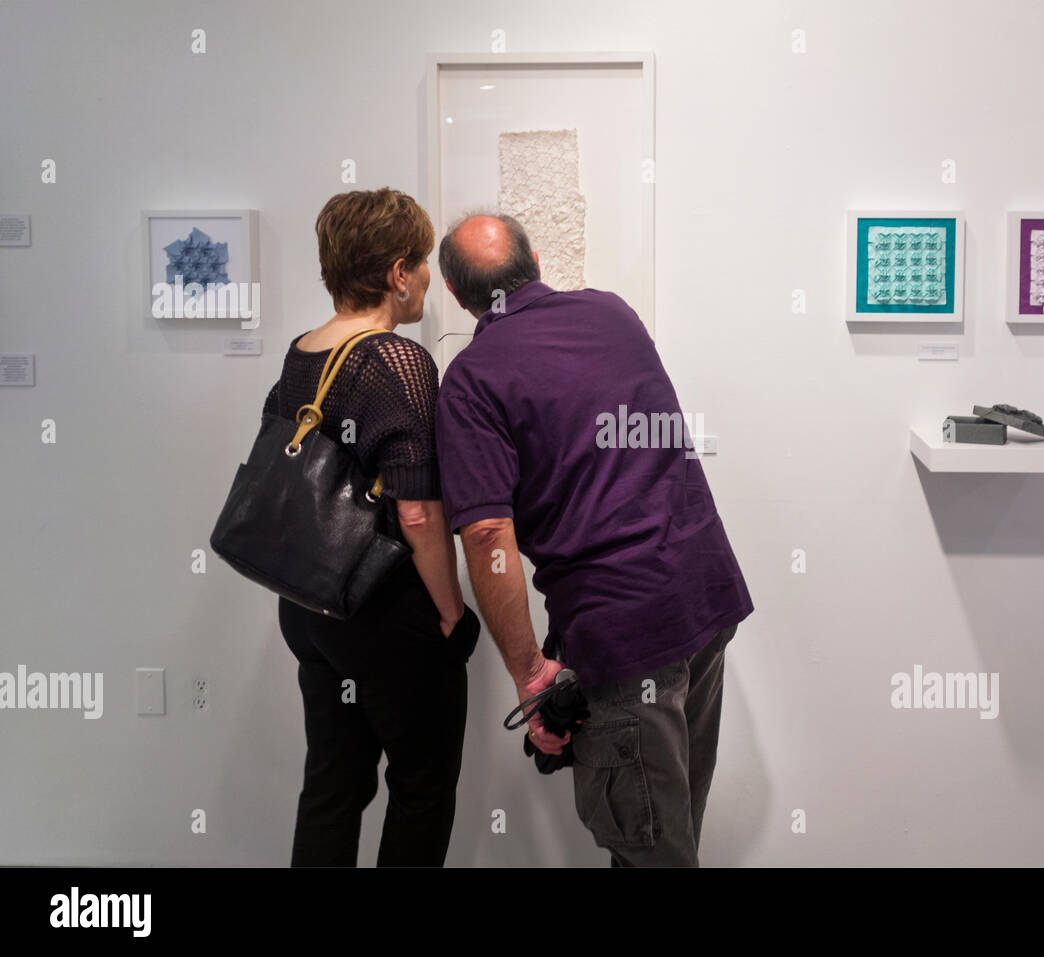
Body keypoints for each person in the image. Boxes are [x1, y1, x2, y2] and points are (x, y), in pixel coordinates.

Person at [433, 212, 754, 866]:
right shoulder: (613, 313)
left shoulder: (470, 379)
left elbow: (488, 530)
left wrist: (528, 671)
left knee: (649, 849)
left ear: (456, 293)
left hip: (626, 636)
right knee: (670, 832)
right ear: (537, 259)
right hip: (704, 597)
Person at [263, 188, 479, 866]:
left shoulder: (303, 351)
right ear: (397, 272)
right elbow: (416, 510)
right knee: (421, 786)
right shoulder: (396, 360)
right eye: (419, 264)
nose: (424, 280)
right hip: (386, 610)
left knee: (334, 781)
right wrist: (450, 614)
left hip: (309, 604)